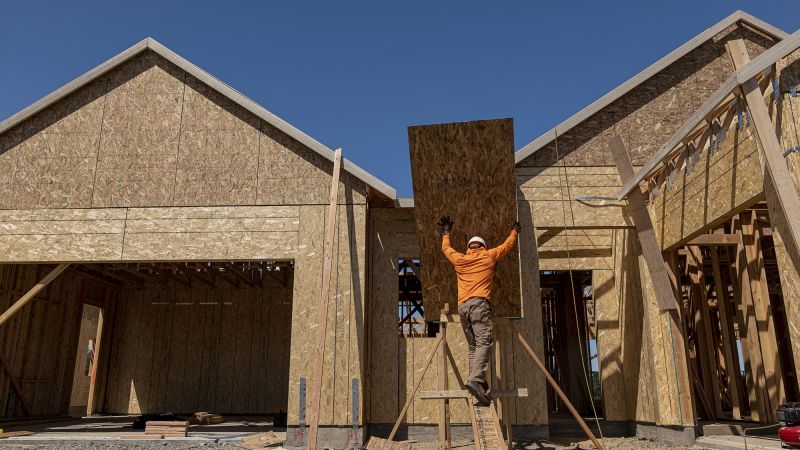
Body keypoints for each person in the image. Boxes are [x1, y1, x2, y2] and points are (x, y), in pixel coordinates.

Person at [438, 215, 520, 406]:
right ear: (482, 246)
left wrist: (446, 233)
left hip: (463, 308)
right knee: (484, 342)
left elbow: (445, 249)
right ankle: (475, 380)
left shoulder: (460, 259)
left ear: (469, 247)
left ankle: (478, 381)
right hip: (478, 305)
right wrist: (514, 231)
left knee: (474, 345)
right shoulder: (489, 256)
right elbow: (506, 246)